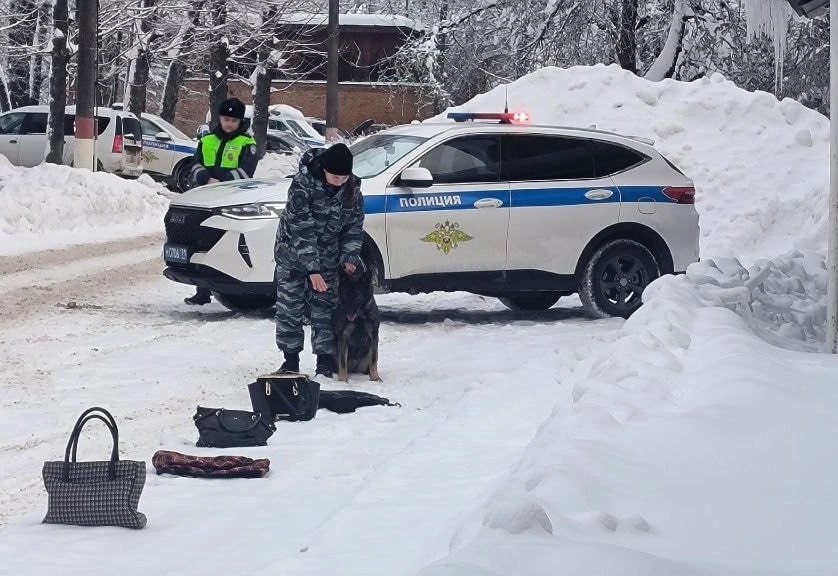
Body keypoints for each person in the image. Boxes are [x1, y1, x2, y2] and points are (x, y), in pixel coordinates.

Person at [274, 143, 364, 378]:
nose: (340, 181)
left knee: (325, 308)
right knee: (289, 308)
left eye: (344, 176)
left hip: (327, 257)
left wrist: (349, 256)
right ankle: (290, 361)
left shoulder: (351, 189)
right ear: (324, 169)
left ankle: (325, 362)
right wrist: (312, 269)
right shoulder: (302, 185)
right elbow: (301, 229)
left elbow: (354, 226)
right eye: (335, 176)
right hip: (292, 254)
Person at [184, 98, 259, 305]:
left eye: (233, 121)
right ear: (220, 118)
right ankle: (202, 290)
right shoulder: (207, 140)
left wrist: (221, 181)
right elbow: (195, 164)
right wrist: (205, 178)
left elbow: (246, 172)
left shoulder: (247, 143)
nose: (229, 124)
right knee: (201, 242)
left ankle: (229, 288)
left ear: (240, 121)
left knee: (223, 244)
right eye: (226, 119)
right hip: (204, 197)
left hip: (231, 201)